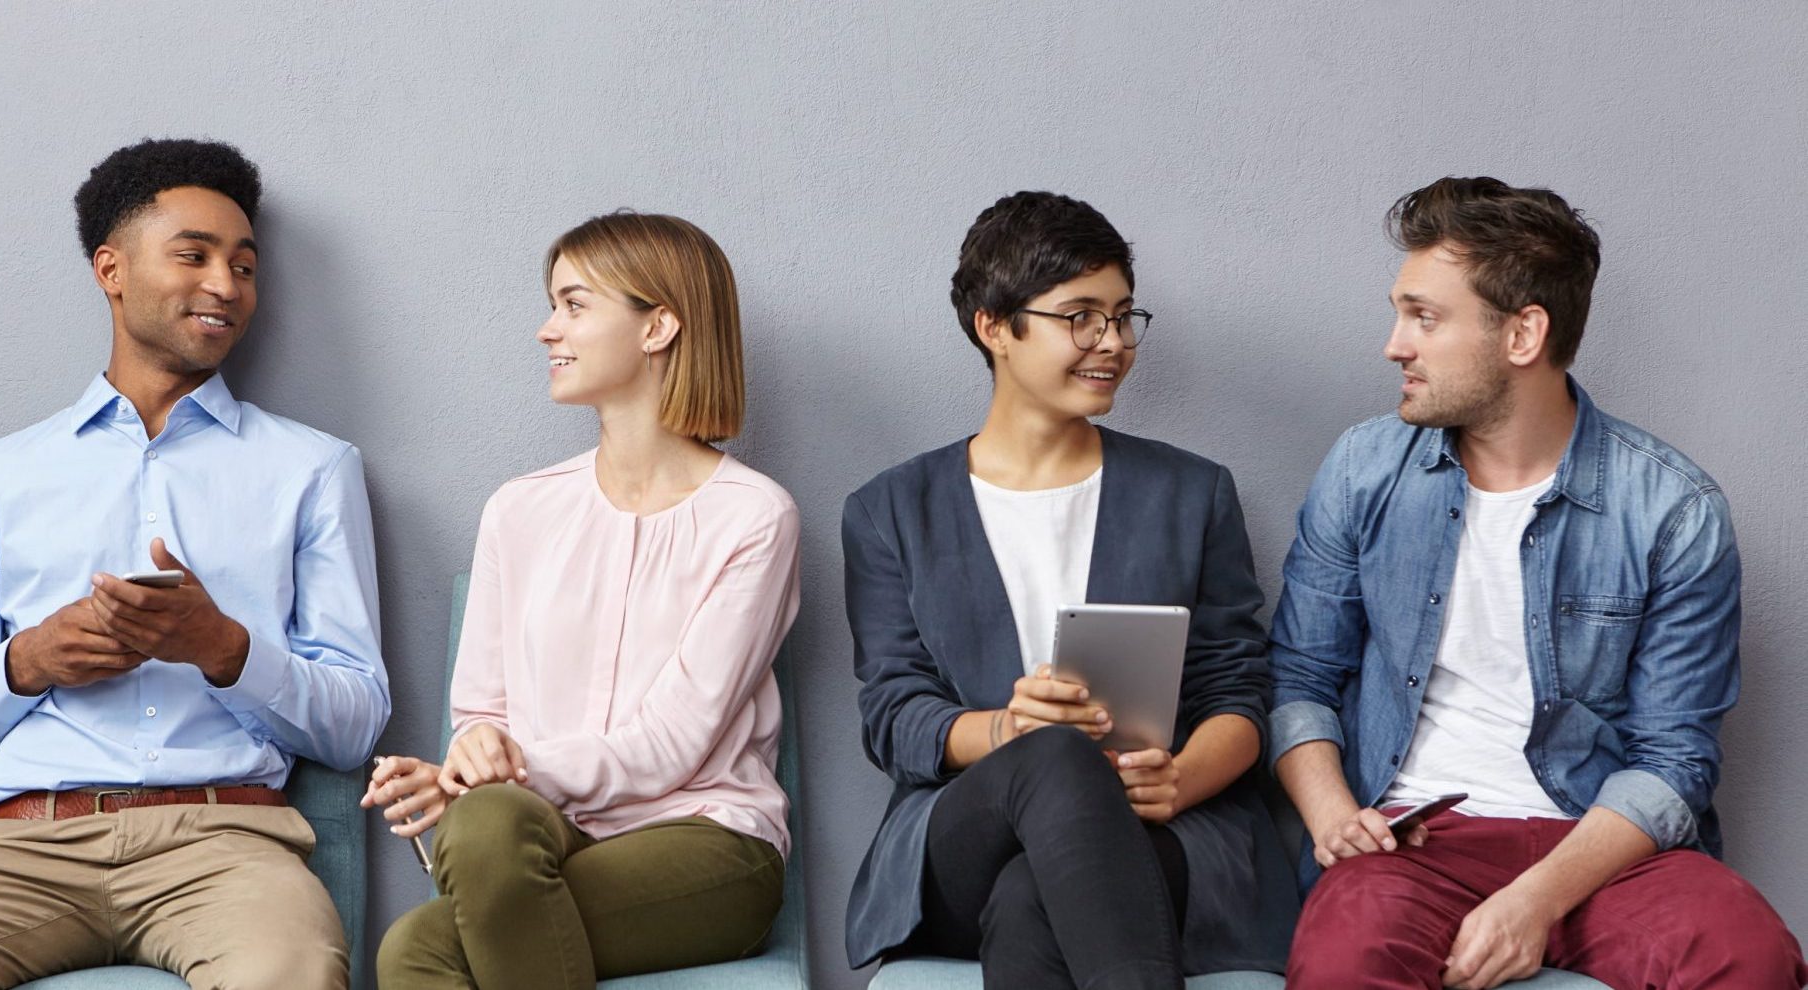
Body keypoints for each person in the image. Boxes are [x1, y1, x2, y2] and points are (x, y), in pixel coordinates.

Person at [0, 139, 389, 989]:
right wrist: (28, 663)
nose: (227, 286)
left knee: (292, 975)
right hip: (20, 846)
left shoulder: (315, 470)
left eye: (244, 265)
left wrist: (222, 649)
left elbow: (356, 725)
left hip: (224, 844)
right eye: (194, 256)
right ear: (111, 269)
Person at [1270, 176, 1807, 989]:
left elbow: (1674, 759)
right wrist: (1332, 816)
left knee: (1751, 955)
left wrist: (1533, 901)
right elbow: (1301, 675)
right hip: (1412, 842)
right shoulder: (1363, 468)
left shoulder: (1671, 508)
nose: (1394, 345)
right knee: (1344, 959)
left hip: (1602, 846)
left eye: (1425, 317)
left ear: (1523, 334)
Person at [843, 191, 1298, 989]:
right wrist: (1010, 730)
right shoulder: (890, 510)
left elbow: (1239, 690)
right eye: (1080, 316)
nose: (1112, 342)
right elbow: (894, 717)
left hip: (1162, 829)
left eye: (1123, 317)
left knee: (1030, 904)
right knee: (1052, 756)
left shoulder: (1191, 493)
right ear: (994, 326)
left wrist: (1182, 778)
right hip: (965, 838)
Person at [368, 211, 799, 989]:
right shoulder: (518, 510)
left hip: (705, 842)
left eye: (573, 304)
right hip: (542, 834)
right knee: (484, 829)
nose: (545, 329)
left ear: (658, 325)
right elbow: (482, 713)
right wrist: (473, 761)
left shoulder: (754, 518)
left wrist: (501, 768)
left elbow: (674, 742)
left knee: (418, 947)